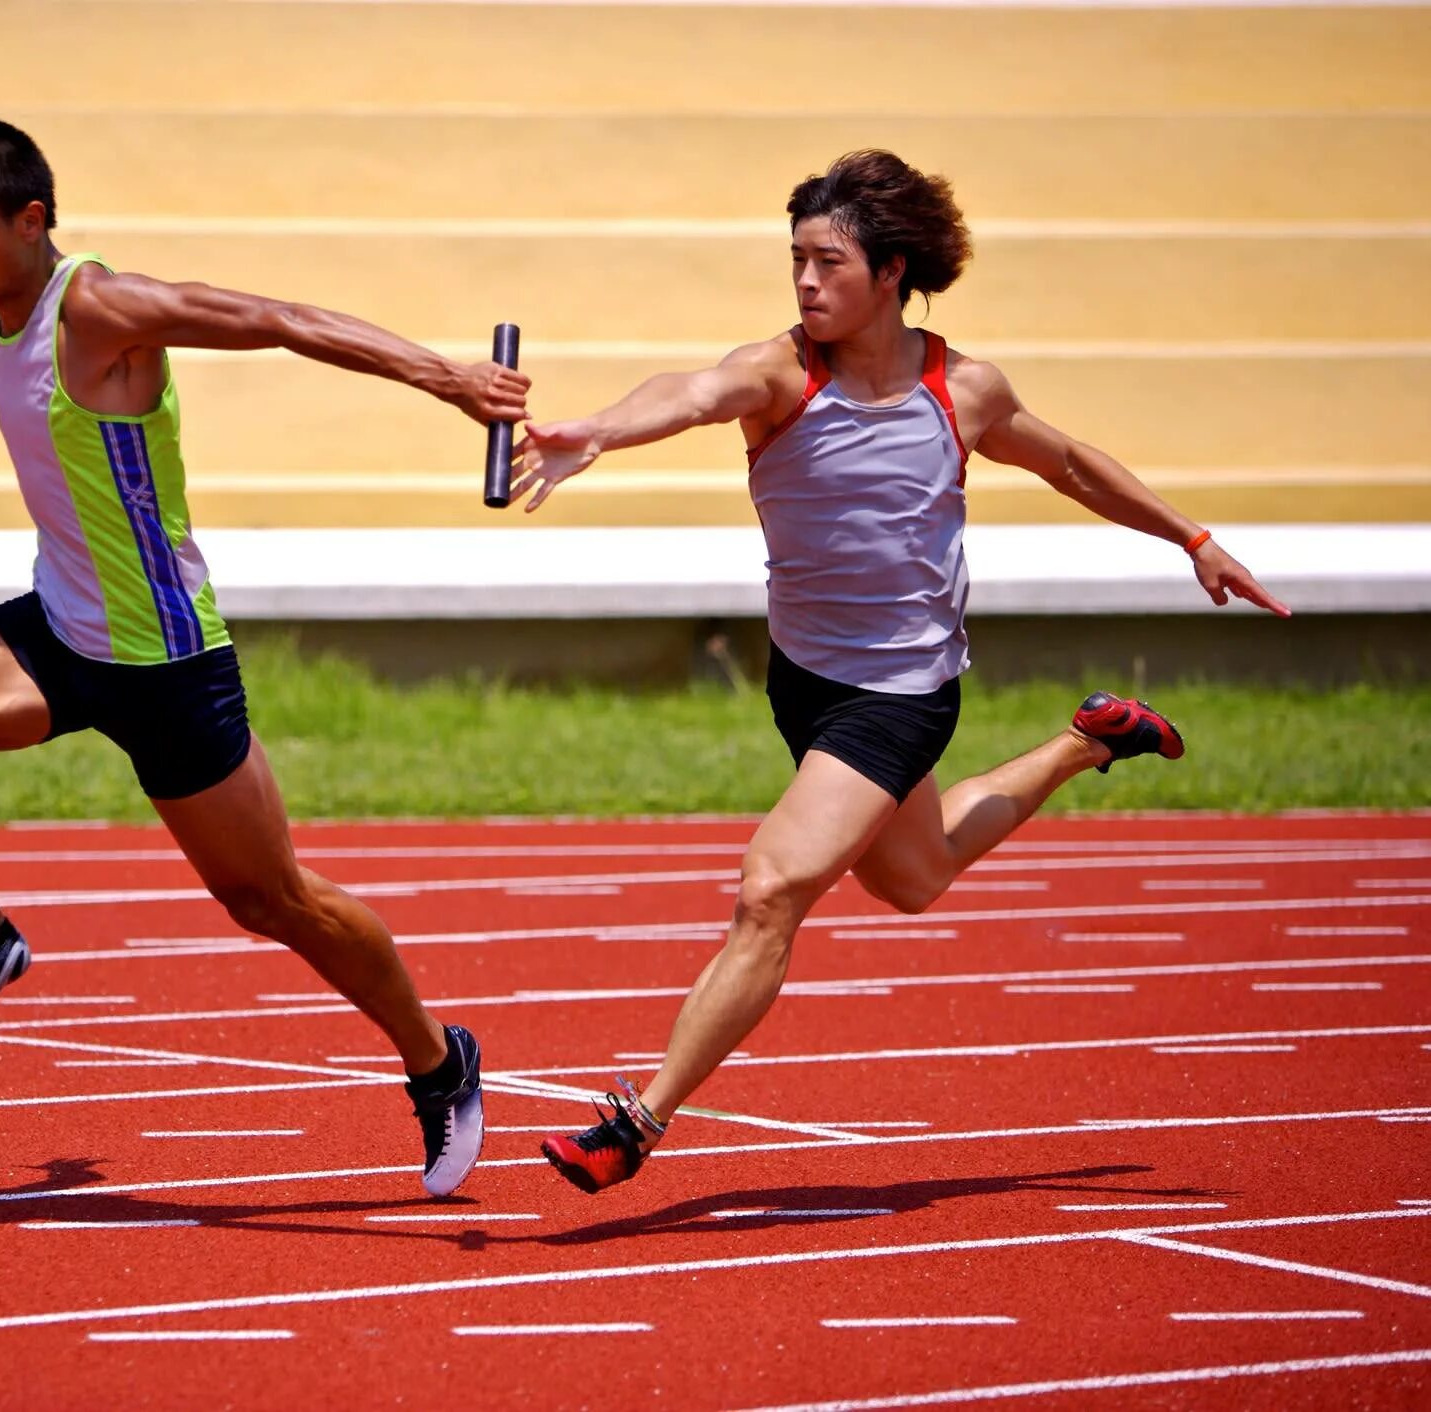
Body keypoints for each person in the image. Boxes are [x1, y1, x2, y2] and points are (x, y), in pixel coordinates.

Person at [510, 150, 1289, 1193]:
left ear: (890, 272)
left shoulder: (959, 390)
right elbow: (690, 392)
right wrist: (596, 430)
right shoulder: (777, 374)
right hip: (803, 679)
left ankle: (635, 1121)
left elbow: (1066, 460)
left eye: (825, 262)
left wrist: (1189, 535)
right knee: (912, 878)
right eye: (792, 259)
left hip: (901, 691)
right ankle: (1087, 739)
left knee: (771, 887)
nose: (801, 283)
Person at [0, 117, 530, 1196]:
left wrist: (444, 379)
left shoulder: (101, 308)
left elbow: (276, 318)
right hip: (58, 632)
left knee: (270, 899)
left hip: (166, 660)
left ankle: (437, 1058)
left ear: (30, 220)